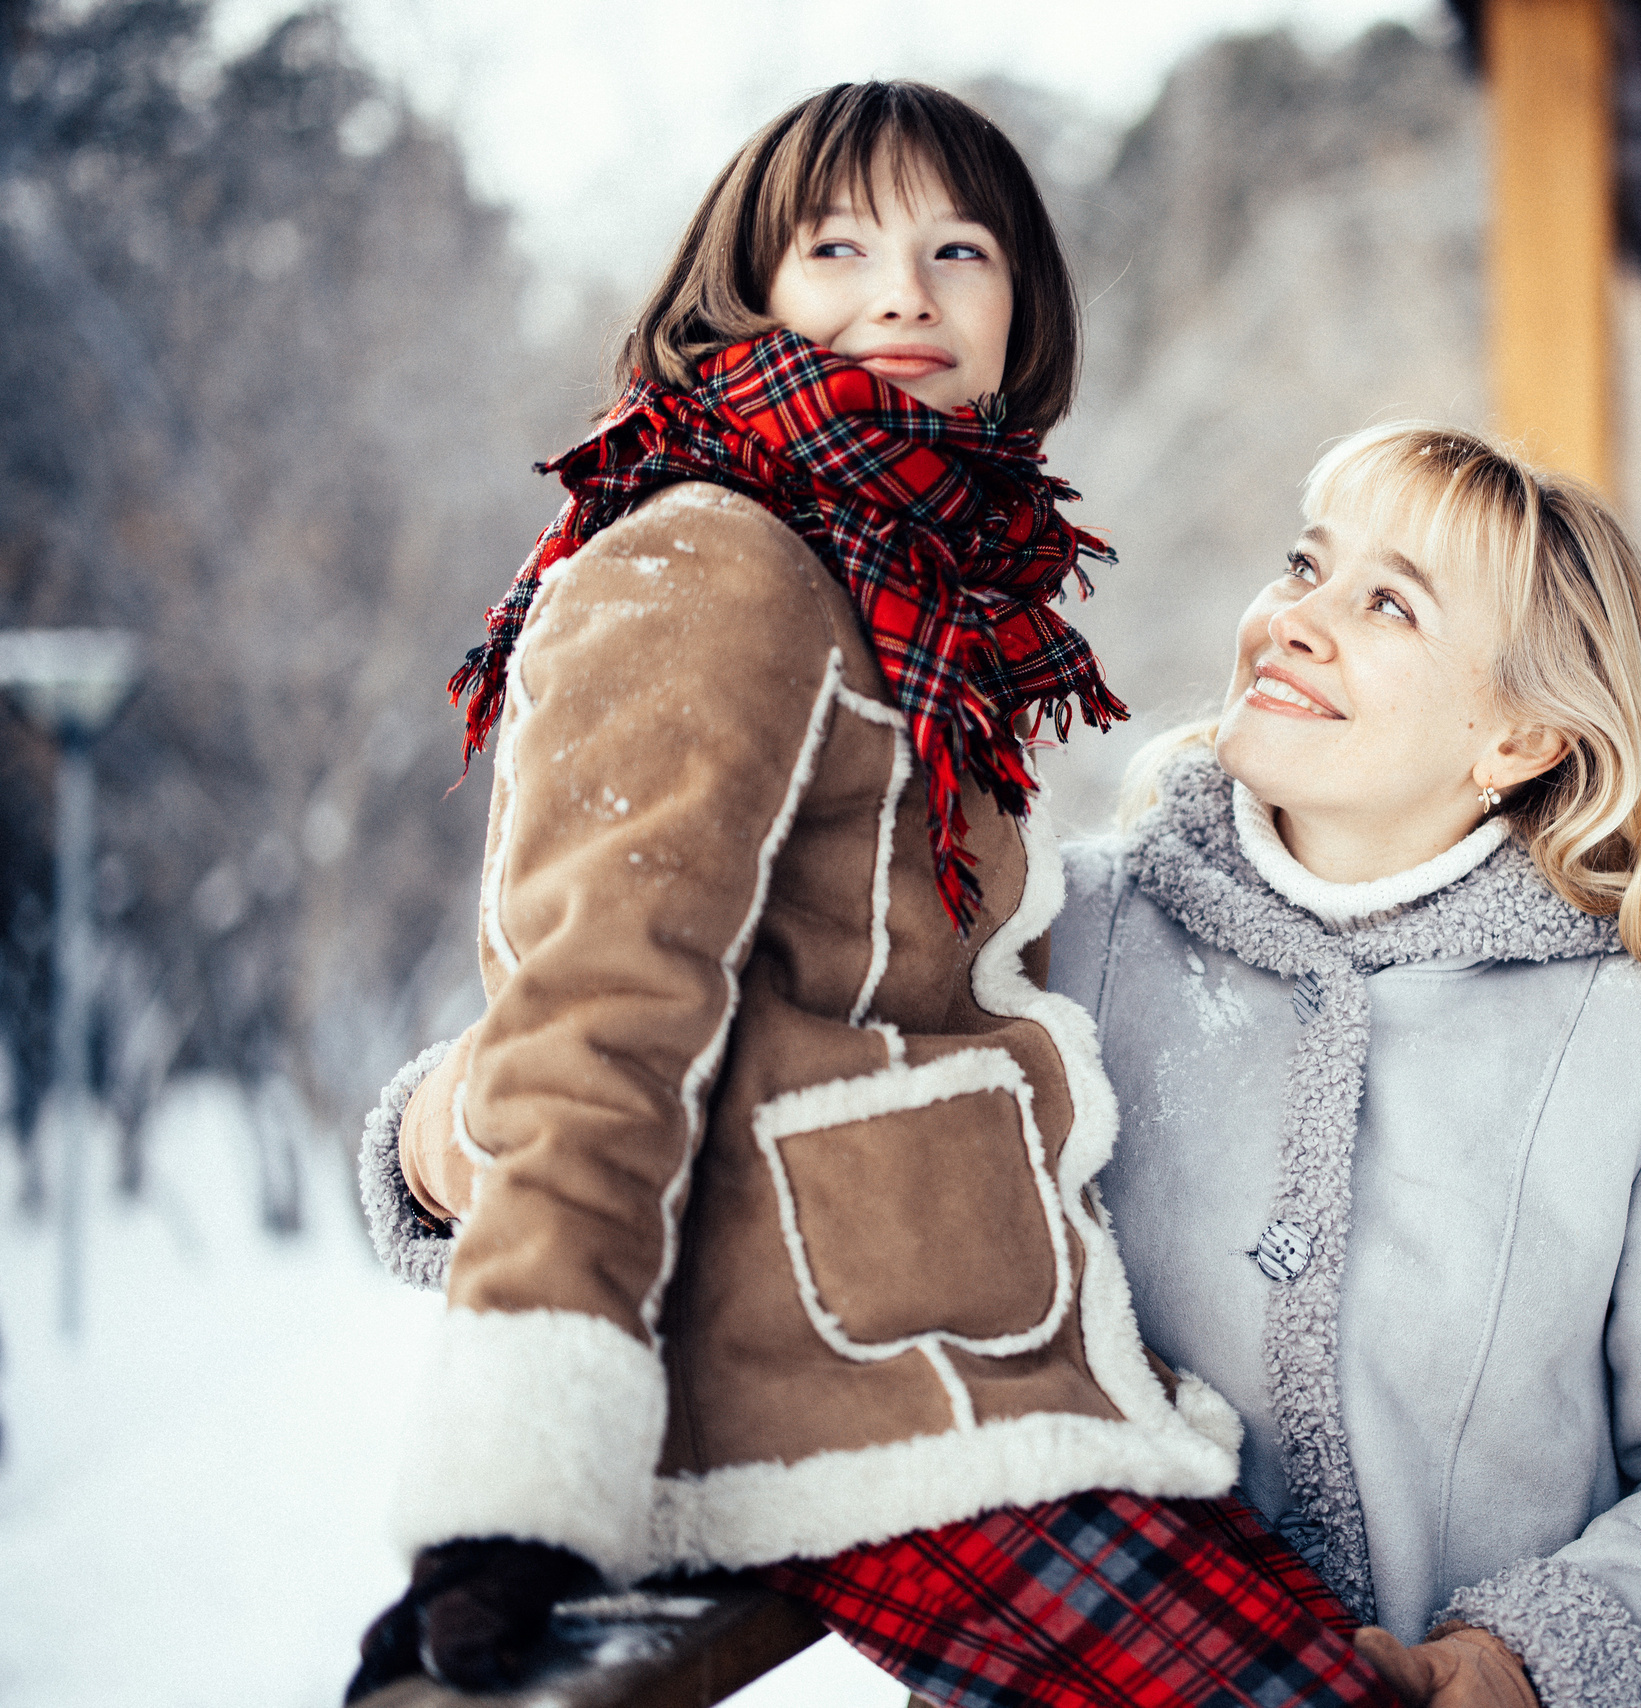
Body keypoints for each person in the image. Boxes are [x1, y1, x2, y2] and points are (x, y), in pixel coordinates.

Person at [347, 82, 1401, 1708]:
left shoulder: (921, 590)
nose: (904, 289)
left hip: (961, 1378)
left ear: (1021, 307)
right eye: (836, 245)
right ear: (746, 292)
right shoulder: (710, 557)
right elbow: (600, 1003)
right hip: (839, 1392)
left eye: (957, 247)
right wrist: (512, 1493)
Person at [1046, 423, 1641, 1707]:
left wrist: (1519, 1661)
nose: (1293, 620)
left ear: (1522, 738)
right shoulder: (1060, 939)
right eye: (1303, 565)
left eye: (1387, 603)